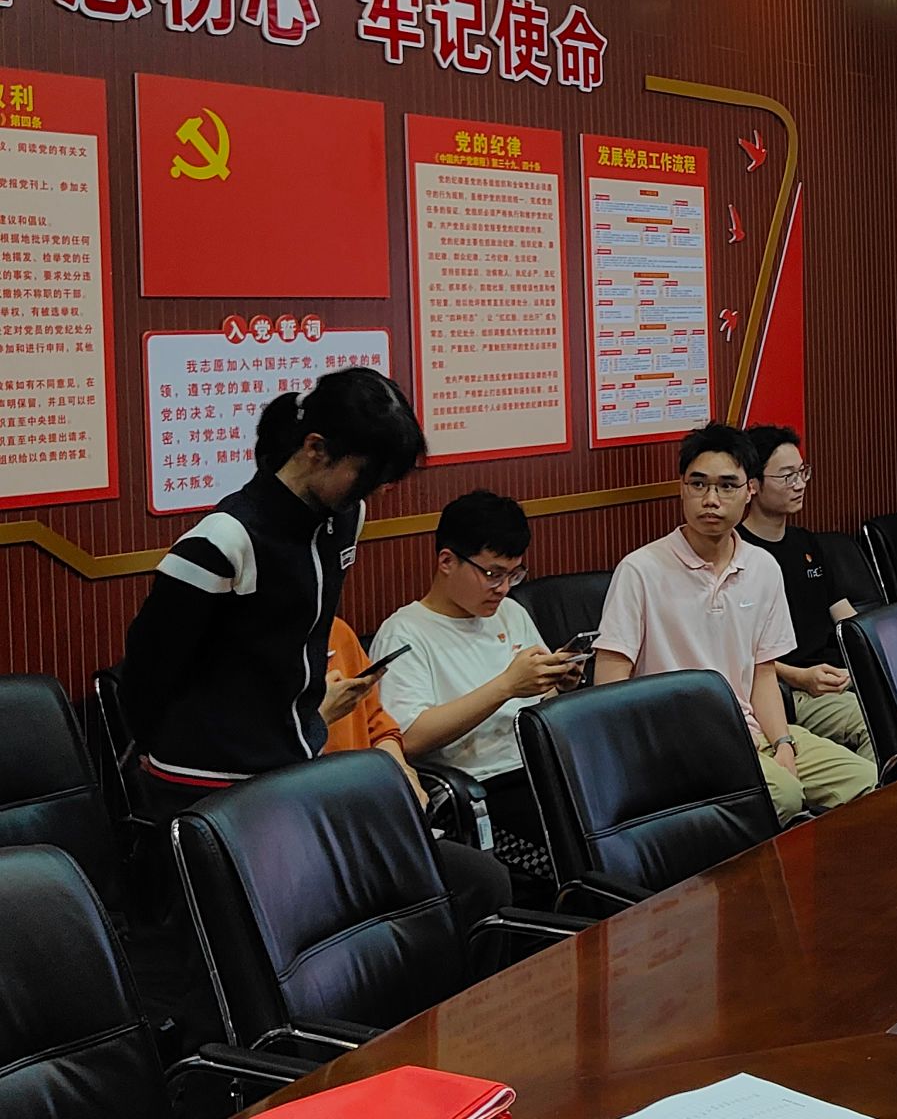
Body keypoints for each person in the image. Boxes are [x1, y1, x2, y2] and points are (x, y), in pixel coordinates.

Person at [123, 366, 426, 820]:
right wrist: (176, 745)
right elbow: (148, 666)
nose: (376, 493)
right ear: (315, 449)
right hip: (205, 777)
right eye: (366, 476)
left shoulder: (346, 517)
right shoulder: (224, 540)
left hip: (292, 757)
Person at [594, 424, 876, 825]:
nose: (711, 499)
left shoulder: (762, 567)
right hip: (677, 747)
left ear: (749, 491)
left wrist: (783, 742)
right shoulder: (640, 570)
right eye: (698, 484)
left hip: (752, 733)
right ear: (681, 488)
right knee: (784, 794)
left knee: (866, 783)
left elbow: (762, 674)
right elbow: (609, 685)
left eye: (727, 486)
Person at [371, 492, 581, 887]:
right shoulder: (405, 633)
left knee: (621, 826)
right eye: (492, 574)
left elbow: (542, 704)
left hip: (541, 769)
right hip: (480, 790)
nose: (503, 588)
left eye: (514, 575)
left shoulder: (511, 613)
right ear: (447, 561)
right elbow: (407, 738)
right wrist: (505, 687)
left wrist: (555, 681)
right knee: (576, 859)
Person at [323, 615, 513, 927]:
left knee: (484, 880)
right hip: (312, 832)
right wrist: (321, 717)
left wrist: (404, 773)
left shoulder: (337, 632)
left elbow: (378, 726)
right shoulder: (247, 654)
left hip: (370, 819)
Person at [739, 424, 871, 756]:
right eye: (787, 477)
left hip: (839, 675)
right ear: (753, 484)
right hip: (791, 688)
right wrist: (801, 677)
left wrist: (875, 654)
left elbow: (845, 615)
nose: (799, 484)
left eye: (802, 472)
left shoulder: (806, 542)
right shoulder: (737, 553)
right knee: (875, 723)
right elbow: (743, 654)